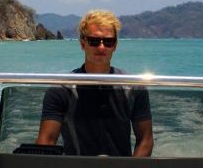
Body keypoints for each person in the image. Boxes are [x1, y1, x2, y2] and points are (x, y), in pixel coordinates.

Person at [35, 10, 154, 157]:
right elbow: (46, 141)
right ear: (82, 43)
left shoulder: (134, 87)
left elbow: (145, 140)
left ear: (115, 45)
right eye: (94, 41)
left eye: (108, 41)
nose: (101, 47)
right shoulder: (61, 90)